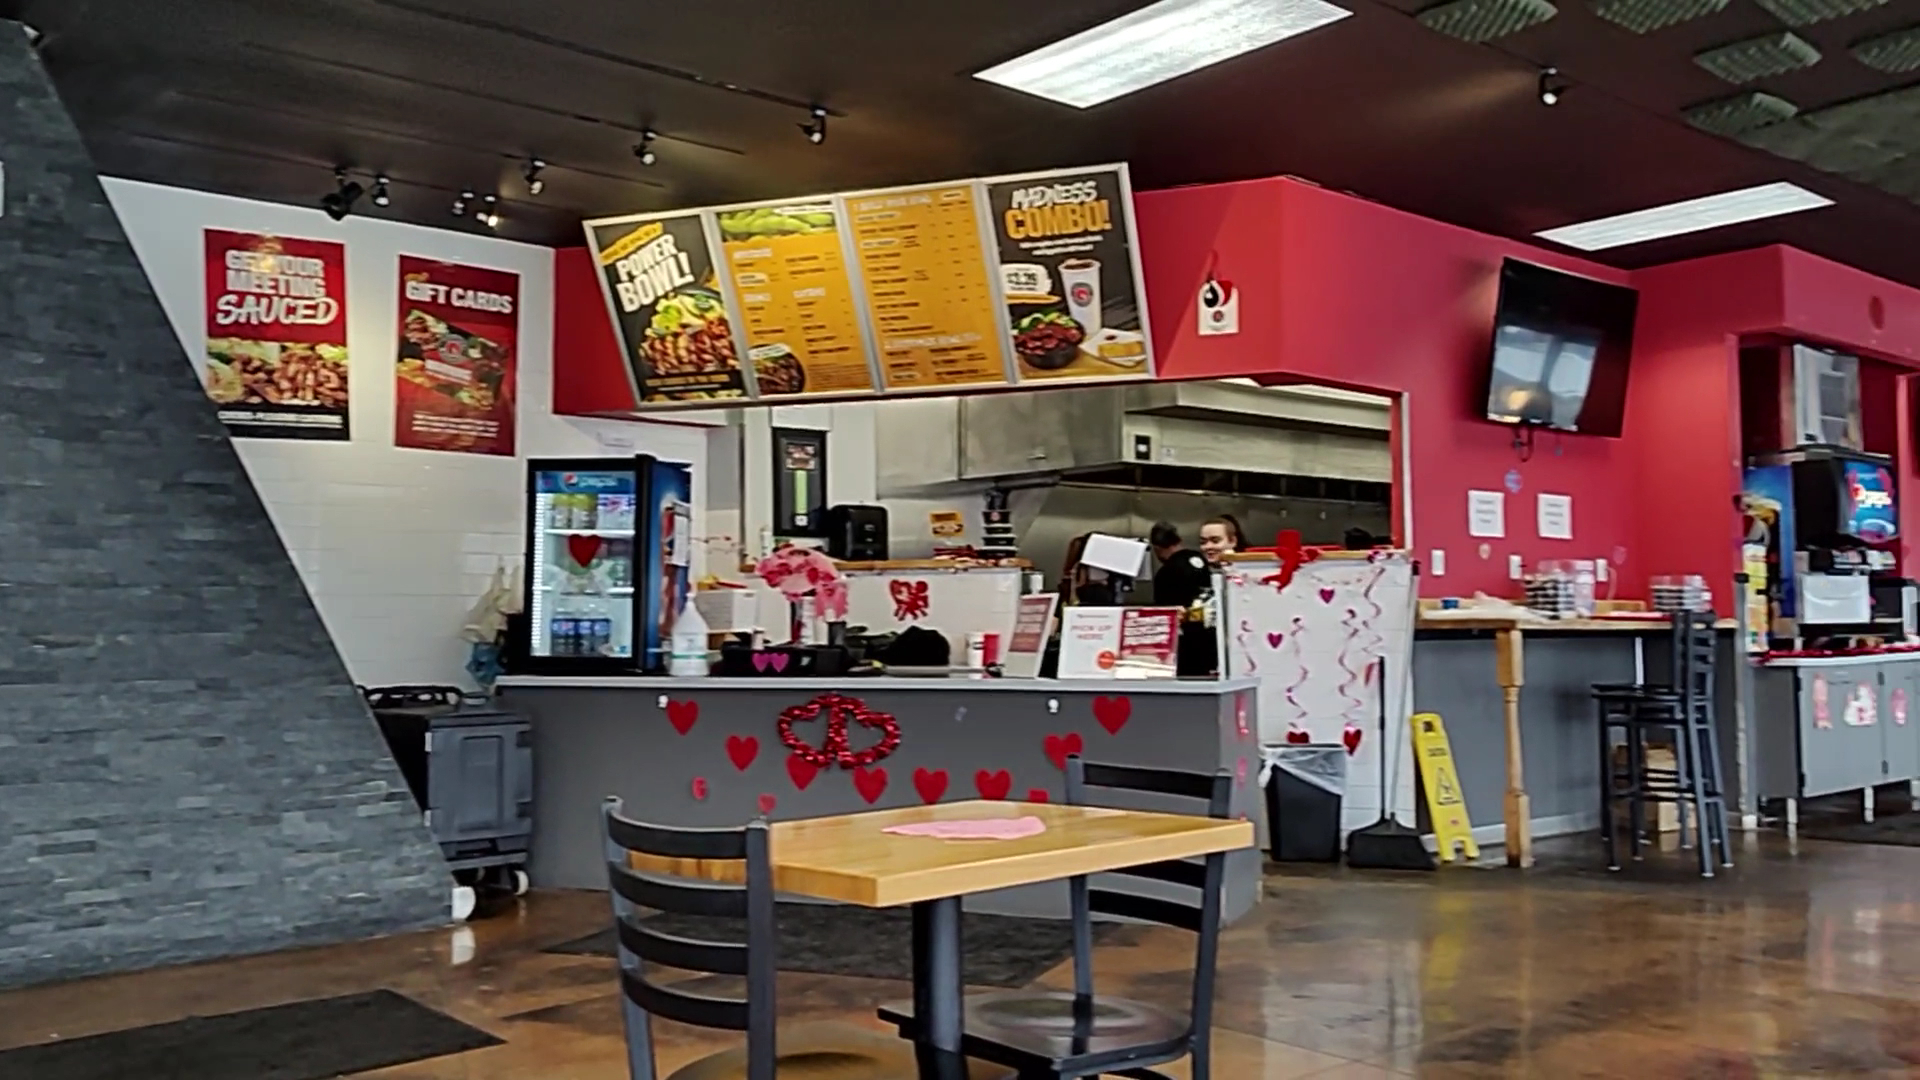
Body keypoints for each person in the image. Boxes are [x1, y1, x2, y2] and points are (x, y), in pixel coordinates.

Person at [1150, 521, 1210, 610]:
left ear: (1157, 548)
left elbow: (1163, 610)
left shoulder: (1165, 573)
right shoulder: (1200, 557)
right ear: (1179, 540)